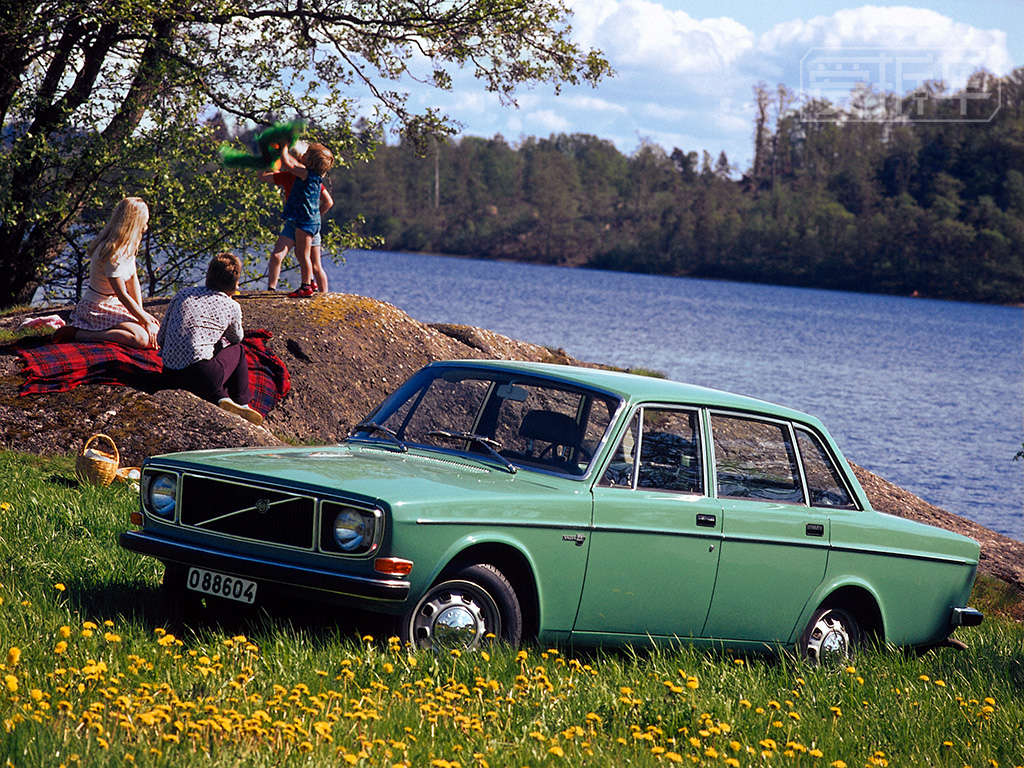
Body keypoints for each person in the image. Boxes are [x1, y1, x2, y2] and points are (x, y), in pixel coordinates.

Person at [158, 252, 263, 425]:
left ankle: (222, 397)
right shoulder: (231, 306)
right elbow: (237, 338)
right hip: (202, 377)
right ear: (234, 284)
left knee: (207, 348)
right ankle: (242, 402)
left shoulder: (183, 294)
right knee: (238, 350)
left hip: (169, 375)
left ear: (208, 275)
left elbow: (161, 337)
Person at [53, 197, 160, 348]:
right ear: (135, 222)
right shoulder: (111, 251)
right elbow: (122, 294)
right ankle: (79, 334)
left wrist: (142, 314)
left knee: (156, 332)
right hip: (97, 306)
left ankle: (103, 330)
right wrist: (144, 320)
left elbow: (132, 279)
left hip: (115, 304)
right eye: (144, 221)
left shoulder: (129, 245)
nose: (146, 226)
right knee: (142, 339)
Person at [258, 149, 334, 294]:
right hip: (295, 221)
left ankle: (315, 290)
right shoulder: (291, 176)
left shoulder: (308, 176)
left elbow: (329, 202)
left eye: (305, 155)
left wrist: (283, 146)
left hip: (307, 223)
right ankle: (272, 289)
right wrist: (267, 159)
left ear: (308, 163)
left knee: (310, 260)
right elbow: (263, 176)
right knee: (286, 255)